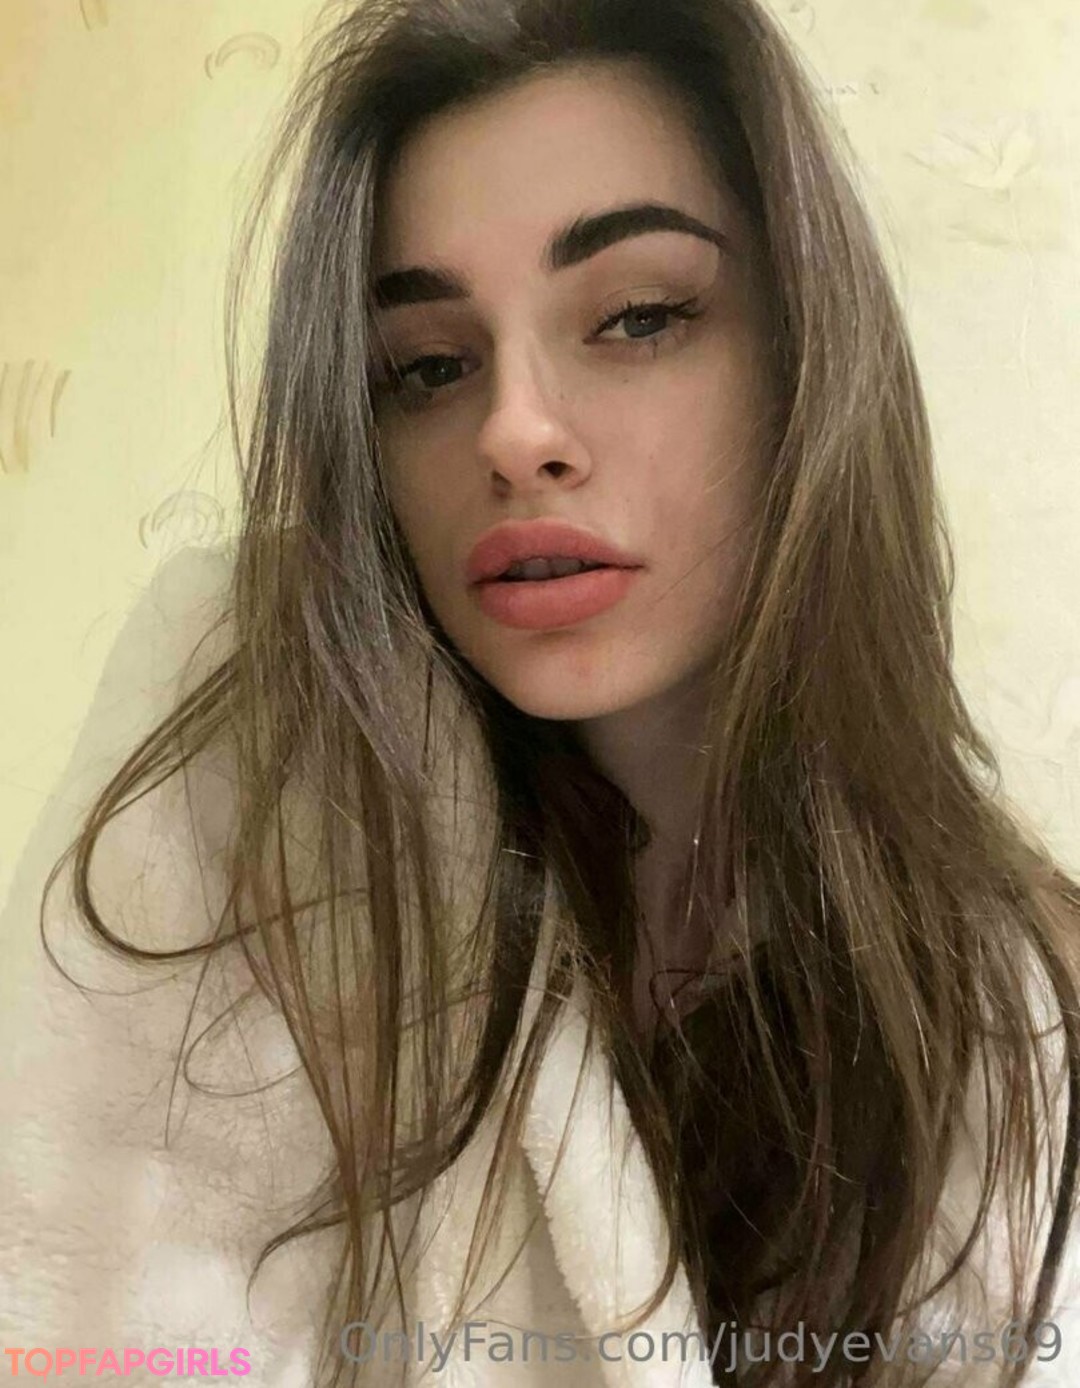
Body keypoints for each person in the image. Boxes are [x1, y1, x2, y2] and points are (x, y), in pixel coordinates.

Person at [28, 0, 1080, 1383]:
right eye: (427, 367)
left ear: (806, 360)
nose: (515, 430)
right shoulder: (244, 798)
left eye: (638, 317)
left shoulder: (1023, 1017)